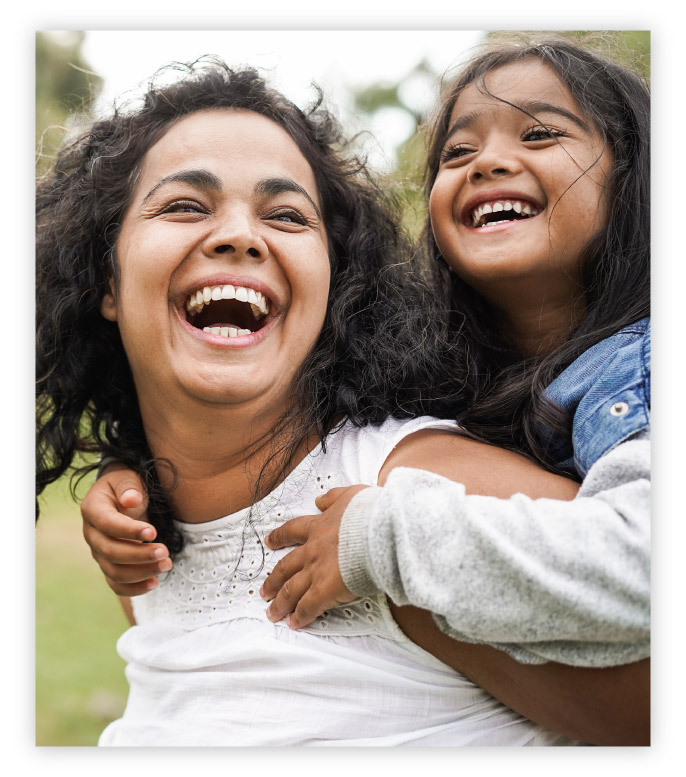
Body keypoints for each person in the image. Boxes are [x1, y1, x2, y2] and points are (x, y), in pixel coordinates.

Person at [62, 55, 647, 745]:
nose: (239, 235)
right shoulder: (146, 542)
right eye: (186, 205)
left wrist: (386, 543)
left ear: (334, 285)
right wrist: (128, 471)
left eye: (285, 214)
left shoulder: (417, 492)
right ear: (105, 278)